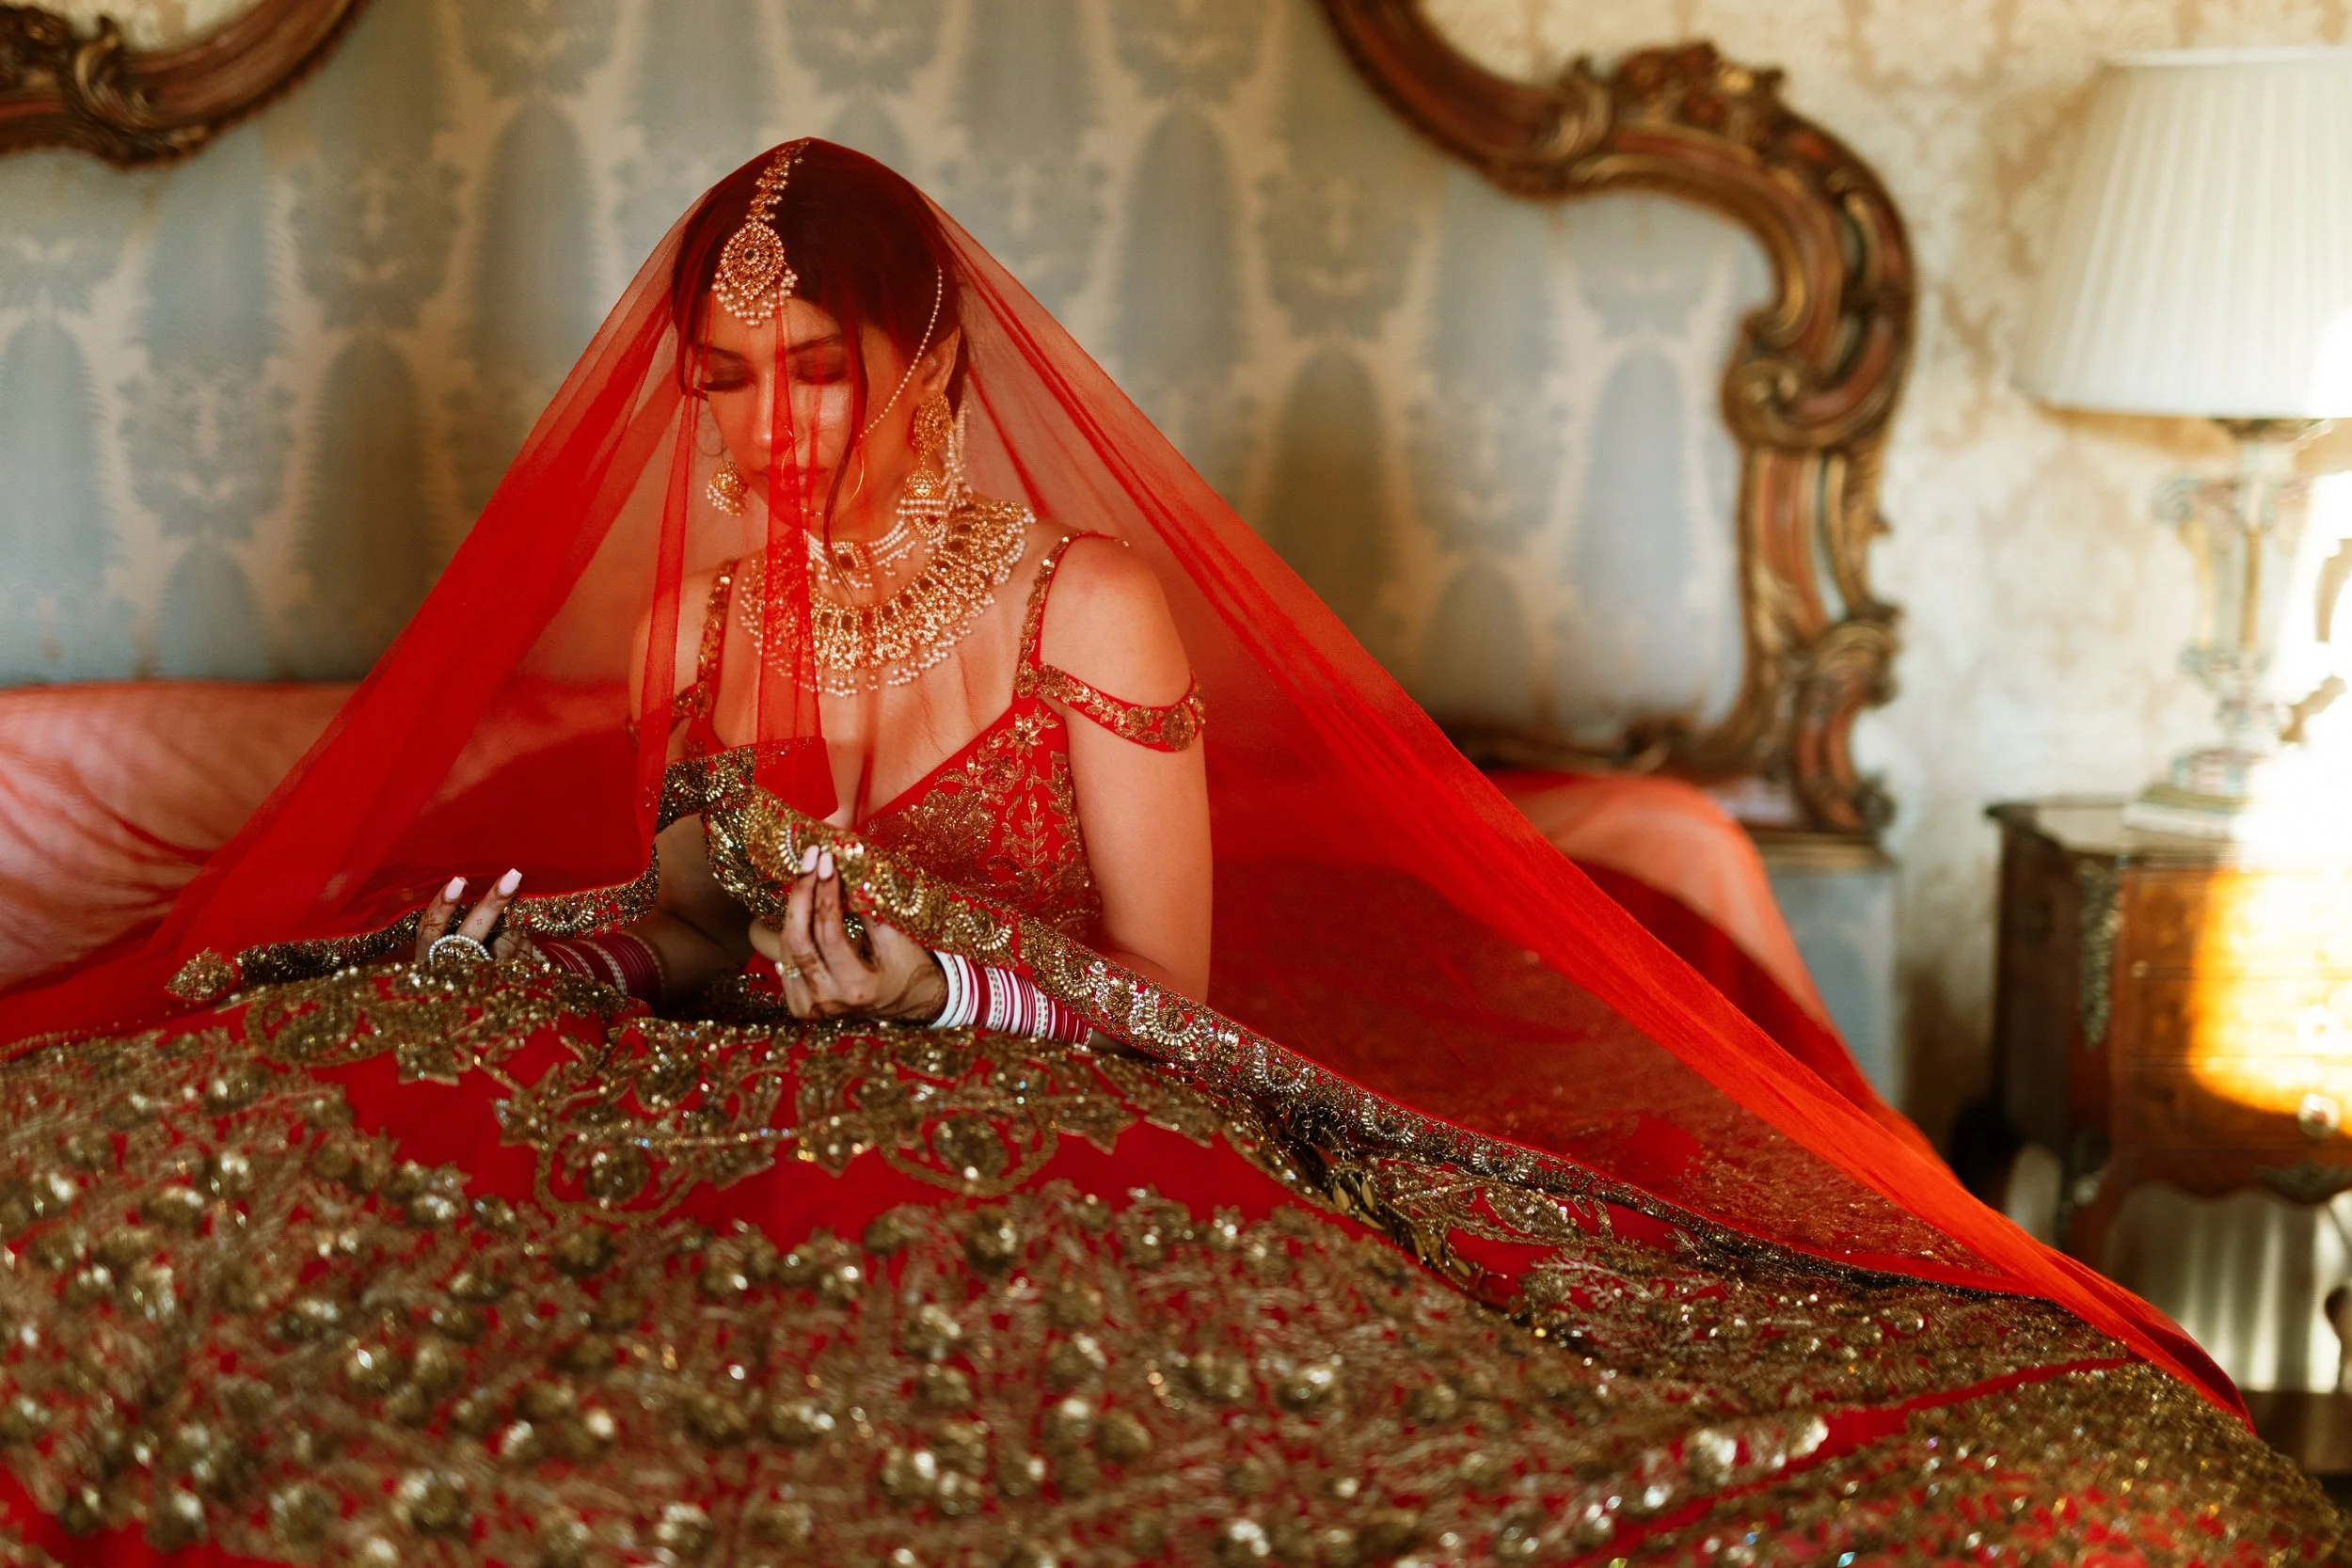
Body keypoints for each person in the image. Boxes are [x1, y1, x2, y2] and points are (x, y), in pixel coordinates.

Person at [0, 141, 2334, 1565]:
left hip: (1052, 1093)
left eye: (819, 366)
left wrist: (942, 997)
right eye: (729, 388)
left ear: (923, 357)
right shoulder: (700, 604)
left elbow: (1189, 1007)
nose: (771, 429)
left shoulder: (1078, 596)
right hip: (727, 1090)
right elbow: (691, 892)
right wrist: (673, 945)